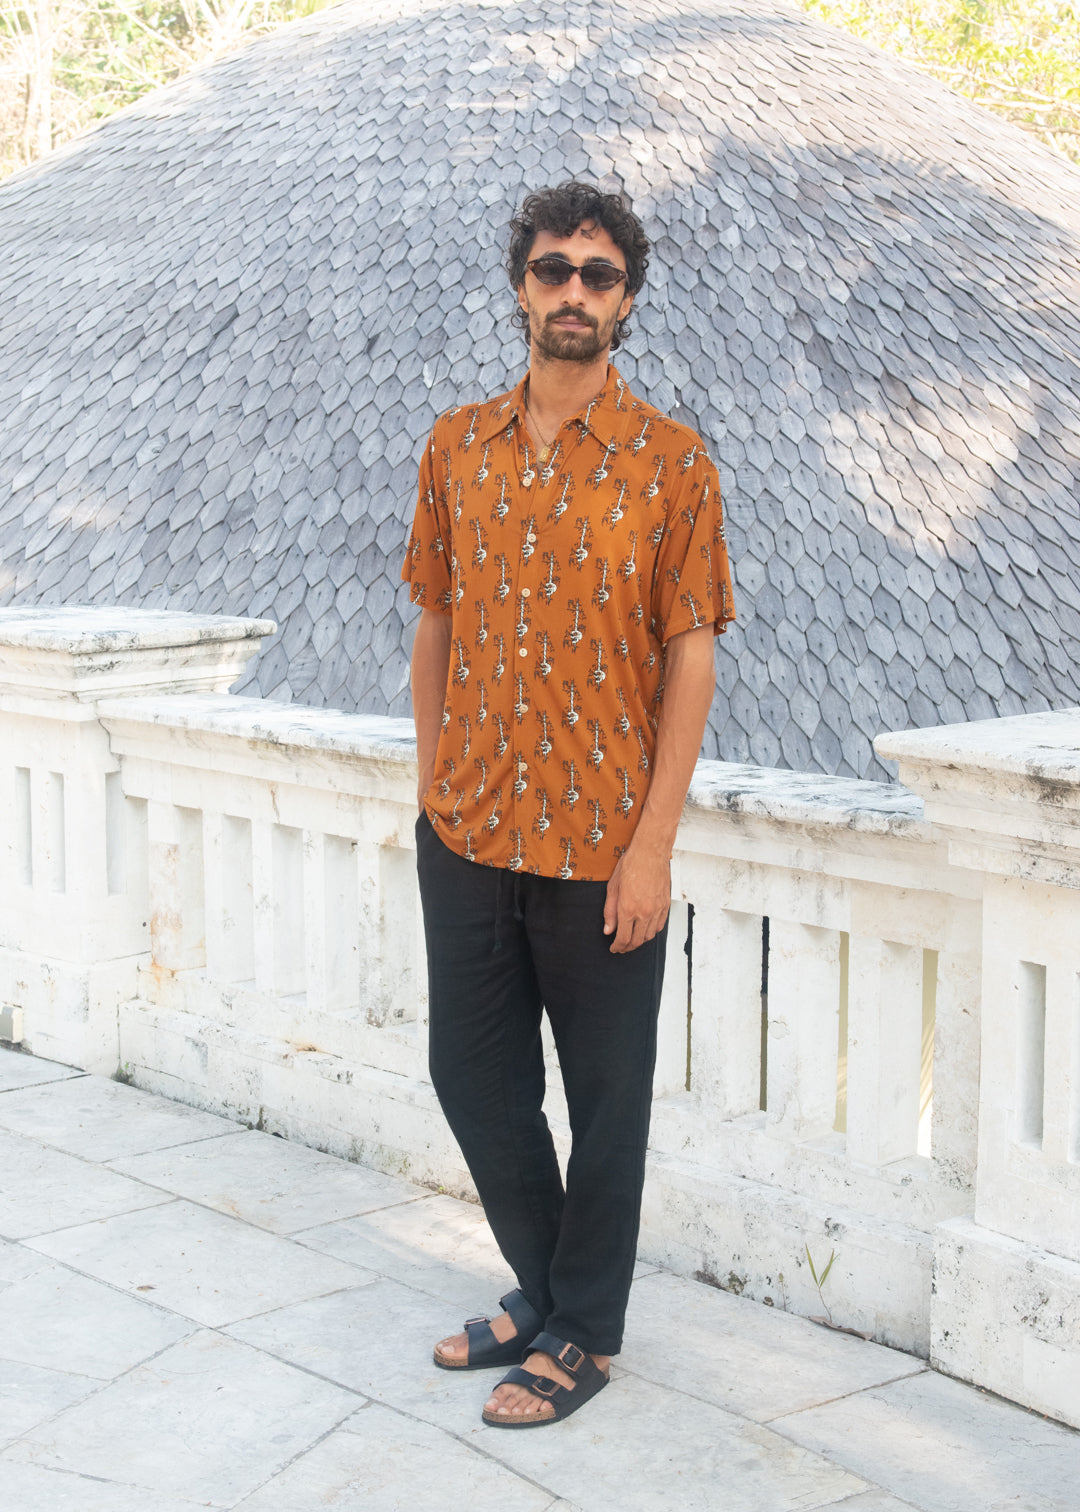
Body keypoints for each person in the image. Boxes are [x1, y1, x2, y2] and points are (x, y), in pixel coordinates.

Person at [402, 180, 735, 1427]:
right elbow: (435, 616)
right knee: (470, 1075)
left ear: (626, 302)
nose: (574, 291)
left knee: (604, 1103)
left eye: (599, 275)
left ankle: (583, 1329)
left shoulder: (672, 463)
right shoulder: (456, 447)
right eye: (554, 269)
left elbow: (691, 653)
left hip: (603, 841)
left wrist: (654, 846)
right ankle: (550, 1294)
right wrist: (433, 780)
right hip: (469, 827)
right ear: (522, 288)